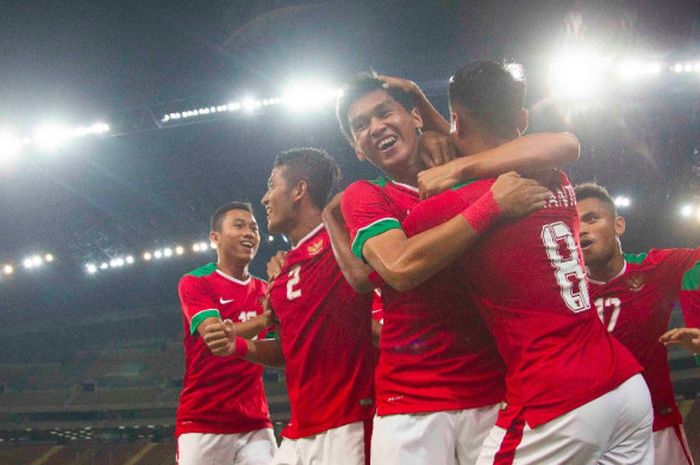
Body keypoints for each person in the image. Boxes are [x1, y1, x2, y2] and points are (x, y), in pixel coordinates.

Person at [400, 61, 652, 464]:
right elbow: (562, 143)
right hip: (625, 386)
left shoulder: (451, 205)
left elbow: (398, 265)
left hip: (557, 397)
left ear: (457, 121)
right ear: (522, 119)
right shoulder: (556, 177)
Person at [332, 70, 579, 465]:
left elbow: (563, 144)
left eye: (384, 113)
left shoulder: (466, 164)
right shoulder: (367, 196)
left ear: (414, 118)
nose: (376, 127)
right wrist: (492, 206)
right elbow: (399, 266)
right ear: (358, 149)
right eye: (361, 126)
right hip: (412, 403)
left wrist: (454, 157)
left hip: (495, 393)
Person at [203, 148, 375, 465]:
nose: (265, 199)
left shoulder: (348, 241)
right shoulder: (281, 274)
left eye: (272, 186)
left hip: (348, 423)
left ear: (299, 190)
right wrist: (239, 345)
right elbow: (287, 349)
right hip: (300, 430)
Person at [576, 182, 700, 465]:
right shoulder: (562, 291)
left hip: (657, 428)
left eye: (591, 218)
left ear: (619, 225)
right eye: (573, 223)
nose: (581, 229)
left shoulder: (655, 269)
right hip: (594, 438)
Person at [175, 201, 276, 465]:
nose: (249, 233)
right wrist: (264, 319)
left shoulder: (268, 290)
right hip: (202, 422)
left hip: (255, 423)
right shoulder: (196, 282)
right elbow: (214, 337)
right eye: (239, 225)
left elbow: (285, 347)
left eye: (254, 228)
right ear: (214, 238)